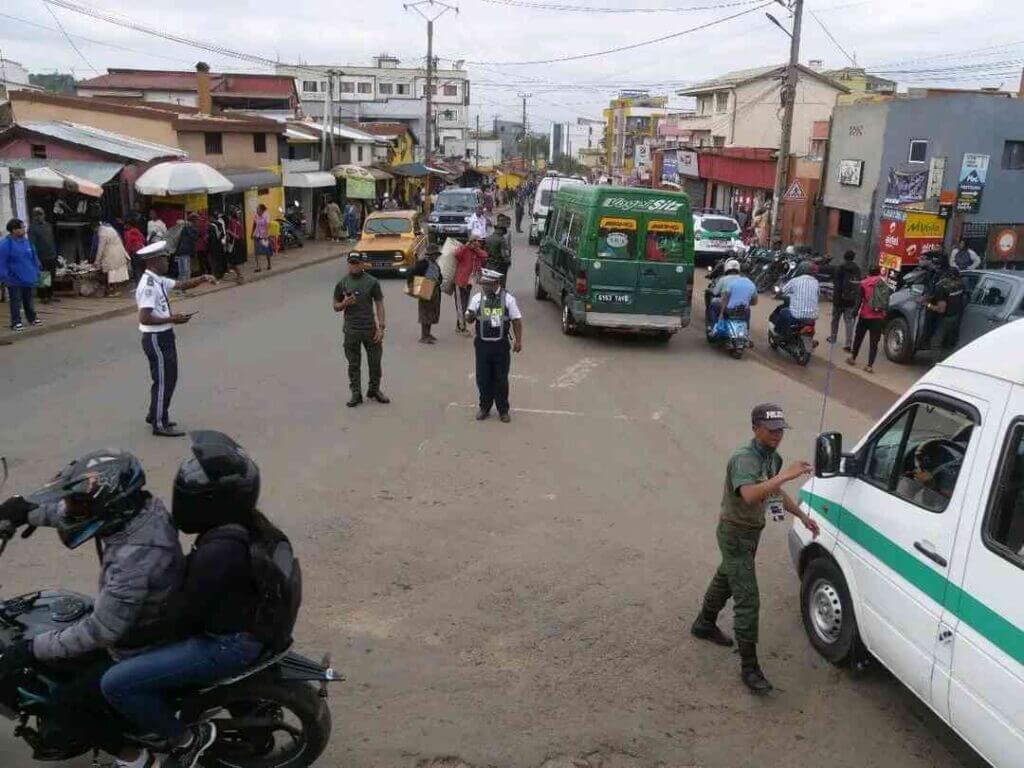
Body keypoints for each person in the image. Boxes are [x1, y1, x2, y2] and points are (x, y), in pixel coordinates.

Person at [0, 451, 185, 768]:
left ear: (111, 505)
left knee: (66, 704)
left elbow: (102, 631)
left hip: (137, 642)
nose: (71, 508)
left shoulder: (135, 557)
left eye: (79, 503)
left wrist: (31, 648)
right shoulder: (139, 510)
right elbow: (78, 512)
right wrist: (26, 513)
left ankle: (136, 760)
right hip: (143, 615)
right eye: (74, 503)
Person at [101, 432, 267, 768]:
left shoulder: (217, 553)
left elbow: (181, 620)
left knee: (116, 683)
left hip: (228, 644)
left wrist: (127, 635)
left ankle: (186, 741)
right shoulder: (240, 527)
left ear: (214, 502)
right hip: (249, 623)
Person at [691, 404, 819, 694]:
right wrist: (785, 476)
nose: (777, 435)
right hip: (734, 533)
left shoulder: (773, 458)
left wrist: (801, 515)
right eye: (771, 430)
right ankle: (750, 667)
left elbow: (773, 491)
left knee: (727, 577)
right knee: (748, 599)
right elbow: (749, 494)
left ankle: (704, 623)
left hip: (751, 533)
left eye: (780, 430)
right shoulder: (743, 459)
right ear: (755, 428)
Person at [136, 252, 216, 437]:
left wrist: (203, 278)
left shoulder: (158, 280)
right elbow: (144, 318)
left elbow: (181, 285)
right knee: (164, 380)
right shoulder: (149, 285)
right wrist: (173, 319)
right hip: (156, 337)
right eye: (164, 259)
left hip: (164, 334)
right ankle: (159, 423)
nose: (167, 262)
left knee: (168, 377)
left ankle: (155, 413)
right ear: (154, 261)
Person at [465, 268, 523, 423]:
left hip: (500, 345)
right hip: (482, 345)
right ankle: (484, 407)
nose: (483, 286)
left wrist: (518, 340)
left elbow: (516, 320)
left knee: (501, 379)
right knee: (483, 378)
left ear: (495, 283)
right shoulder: (477, 298)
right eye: (483, 284)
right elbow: (469, 319)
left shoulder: (508, 299)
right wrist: (470, 316)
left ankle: (503, 410)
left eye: (487, 284)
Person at [334, 252, 389, 407]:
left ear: (362, 264)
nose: (354, 266)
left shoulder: (372, 282)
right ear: (348, 264)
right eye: (351, 263)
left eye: (356, 263)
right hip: (351, 330)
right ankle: (356, 393)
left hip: (370, 329)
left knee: (375, 362)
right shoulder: (343, 283)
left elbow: (379, 304)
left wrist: (381, 327)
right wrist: (344, 303)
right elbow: (335, 306)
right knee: (353, 364)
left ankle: (374, 390)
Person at [1, 217, 42, 330]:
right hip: (14, 279)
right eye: (22, 228)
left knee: (29, 300)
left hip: (28, 277)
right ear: (14, 230)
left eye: (24, 227)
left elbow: (34, 257)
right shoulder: (5, 244)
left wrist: (37, 270)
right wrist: (4, 277)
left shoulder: (27, 242)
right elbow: (2, 262)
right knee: (16, 301)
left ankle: (32, 318)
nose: (24, 230)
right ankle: (16, 322)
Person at [846, 266, 888, 373]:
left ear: (869, 272)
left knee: (858, 338)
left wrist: (854, 312)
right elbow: (886, 301)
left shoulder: (864, 283)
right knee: (874, 342)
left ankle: (853, 358)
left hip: (865, 315)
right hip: (878, 317)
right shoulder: (884, 284)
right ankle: (869, 365)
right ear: (879, 272)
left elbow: (859, 301)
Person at [919, 265, 966, 352]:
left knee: (936, 345)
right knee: (949, 344)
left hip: (945, 320)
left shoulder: (942, 288)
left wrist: (927, 304)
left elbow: (941, 309)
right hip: (956, 317)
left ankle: (936, 359)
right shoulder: (961, 284)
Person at [827, 250, 862, 352]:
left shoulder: (840, 267)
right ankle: (848, 343)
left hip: (838, 300)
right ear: (853, 258)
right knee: (849, 322)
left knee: (835, 320)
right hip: (851, 300)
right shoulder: (857, 269)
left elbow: (836, 283)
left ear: (844, 257)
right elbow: (858, 284)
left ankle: (833, 338)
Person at [775, 259, 820, 335]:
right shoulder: (816, 282)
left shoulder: (794, 281)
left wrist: (778, 295)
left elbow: (782, 292)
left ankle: (779, 333)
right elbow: (817, 295)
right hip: (812, 317)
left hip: (797, 316)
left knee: (783, 312)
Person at [708, 258, 757, 327]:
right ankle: (746, 328)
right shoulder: (751, 283)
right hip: (742, 310)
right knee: (748, 310)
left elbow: (720, 296)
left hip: (728, 309)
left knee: (713, 305)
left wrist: (721, 314)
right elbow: (755, 302)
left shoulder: (725, 280)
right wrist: (744, 303)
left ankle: (714, 326)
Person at [410, 243, 443, 343]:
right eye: (435, 254)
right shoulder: (422, 264)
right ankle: (424, 336)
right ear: (430, 255)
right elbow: (412, 274)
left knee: (432, 312)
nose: (436, 256)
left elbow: (439, 276)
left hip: (435, 289)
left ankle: (428, 334)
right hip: (425, 287)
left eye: (437, 254)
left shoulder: (435, 264)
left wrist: (439, 282)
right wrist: (414, 288)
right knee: (425, 312)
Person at [454, 237, 488, 334]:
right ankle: (462, 328)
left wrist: (476, 249)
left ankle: (459, 325)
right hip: (460, 282)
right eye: (475, 242)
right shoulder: (464, 250)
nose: (477, 243)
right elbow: (456, 254)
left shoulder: (476, 252)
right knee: (460, 306)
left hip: (468, 283)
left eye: (478, 242)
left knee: (464, 306)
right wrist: (466, 246)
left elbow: (485, 255)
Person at [93, 221, 132, 297]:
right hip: (118, 251)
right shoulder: (110, 228)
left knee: (111, 274)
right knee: (116, 273)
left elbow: (100, 248)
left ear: (96, 227)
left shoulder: (102, 232)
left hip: (112, 254)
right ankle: (114, 290)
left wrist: (96, 261)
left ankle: (112, 291)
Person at [29, 207, 58, 303]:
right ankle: (43, 296)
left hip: (51, 254)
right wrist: (35, 257)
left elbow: (52, 240)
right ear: (34, 216)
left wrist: (55, 253)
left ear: (44, 215)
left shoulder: (48, 226)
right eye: (36, 215)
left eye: (40, 214)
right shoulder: (32, 228)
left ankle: (50, 295)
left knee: (52, 275)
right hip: (41, 256)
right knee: (43, 276)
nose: (39, 216)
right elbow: (32, 244)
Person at [484, 214, 512, 287]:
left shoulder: (489, 238)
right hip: (499, 264)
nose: (502, 222)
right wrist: (507, 260)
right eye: (500, 220)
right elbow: (504, 254)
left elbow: (485, 252)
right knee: (501, 282)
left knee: (489, 281)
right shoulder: (501, 239)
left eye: (503, 220)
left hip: (490, 263)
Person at [174, 213, 201, 289]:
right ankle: (182, 286)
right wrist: (177, 252)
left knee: (186, 270)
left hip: (187, 252)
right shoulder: (185, 228)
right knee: (181, 271)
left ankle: (186, 286)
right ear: (193, 221)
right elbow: (180, 239)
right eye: (197, 220)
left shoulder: (194, 229)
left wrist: (187, 227)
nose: (198, 222)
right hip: (181, 251)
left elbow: (194, 238)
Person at [123, 216, 146, 283]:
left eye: (126, 225)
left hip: (135, 252)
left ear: (129, 225)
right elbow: (143, 239)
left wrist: (126, 253)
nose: (124, 226)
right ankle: (144, 283)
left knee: (137, 269)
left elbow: (128, 244)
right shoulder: (137, 230)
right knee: (142, 269)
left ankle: (139, 284)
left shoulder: (129, 233)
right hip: (142, 251)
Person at [225, 207, 246, 280]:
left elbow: (237, 236)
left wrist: (229, 232)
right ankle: (238, 275)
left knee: (232, 262)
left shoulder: (233, 222)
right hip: (238, 243)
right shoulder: (237, 222)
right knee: (232, 262)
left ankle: (240, 275)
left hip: (236, 244)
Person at [206, 212, 227, 280]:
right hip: (219, 244)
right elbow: (222, 235)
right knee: (220, 259)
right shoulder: (219, 224)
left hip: (213, 246)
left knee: (214, 261)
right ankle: (221, 273)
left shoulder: (211, 226)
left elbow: (210, 238)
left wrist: (208, 245)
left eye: (209, 217)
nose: (209, 218)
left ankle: (216, 275)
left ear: (212, 217)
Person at [252, 203, 272, 271]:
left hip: (264, 236)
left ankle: (269, 264)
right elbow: (254, 224)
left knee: (267, 251)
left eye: (258, 208)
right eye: (256, 209)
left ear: (262, 209)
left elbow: (267, 225)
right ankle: (258, 267)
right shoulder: (256, 215)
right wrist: (252, 233)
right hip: (257, 235)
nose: (256, 210)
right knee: (256, 251)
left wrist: (266, 235)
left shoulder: (266, 215)